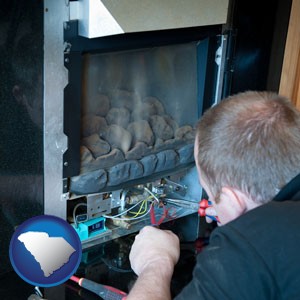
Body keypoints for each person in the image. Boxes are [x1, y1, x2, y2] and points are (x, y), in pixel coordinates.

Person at [127, 91, 300, 300]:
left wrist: (155, 262)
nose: (211, 203)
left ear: (233, 201)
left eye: (209, 192)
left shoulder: (249, 249)